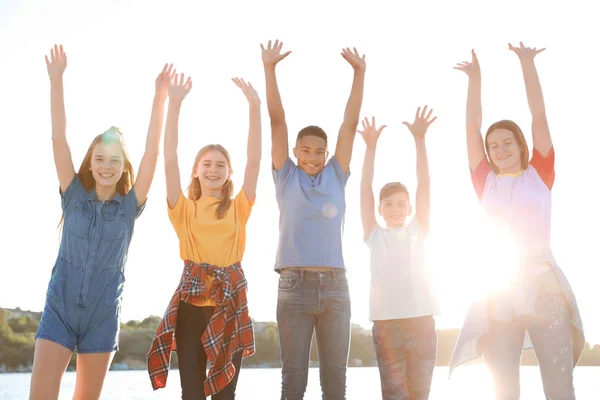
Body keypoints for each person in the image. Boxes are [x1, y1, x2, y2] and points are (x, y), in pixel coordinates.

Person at [30, 44, 170, 400]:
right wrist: (56, 80)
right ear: (90, 163)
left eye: (114, 159)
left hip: (102, 317)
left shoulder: (128, 208)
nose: (106, 166)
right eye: (99, 158)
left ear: (123, 166)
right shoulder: (73, 195)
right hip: (59, 310)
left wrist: (160, 97)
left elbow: (152, 152)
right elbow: (58, 139)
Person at [449, 43, 584, 399]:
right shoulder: (485, 181)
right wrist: (475, 80)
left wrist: (527, 64)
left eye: (507, 142)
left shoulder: (540, 173)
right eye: (493, 145)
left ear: (520, 145)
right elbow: (472, 125)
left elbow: (539, 116)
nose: (500, 149)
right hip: (499, 295)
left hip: (546, 292)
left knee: (559, 388)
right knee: (504, 390)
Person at [261, 39, 366, 399]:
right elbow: (277, 121)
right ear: (295, 151)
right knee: (294, 379)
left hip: (337, 286)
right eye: (305, 150)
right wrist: (270, 69)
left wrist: (359, 73)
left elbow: (349, 124)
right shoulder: (286, 176)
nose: (313, 157)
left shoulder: (336, 175)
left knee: (335, 379)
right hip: (294, 287)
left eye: (319, 152)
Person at [147, 73, 261, 400]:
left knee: (225, 395)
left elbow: (254, 159)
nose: (213, 169)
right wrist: (176, 103)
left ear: (228, 173)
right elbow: (169, 157)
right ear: (196, 169)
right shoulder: (182, 209)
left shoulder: (239, 207)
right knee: (192, 394)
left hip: (231, 303)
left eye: (221, 165)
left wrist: (254, 106)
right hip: (191, 307)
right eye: (207, 163)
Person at [358, 109, 439, 400]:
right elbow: (365, 188)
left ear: (410, 208)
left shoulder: (419, 231)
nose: (394, 209)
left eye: (401, 204)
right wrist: (370, 147)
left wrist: (419, 140)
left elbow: (425, 184)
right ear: (380, 209)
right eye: (388, 204)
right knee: (394, 395)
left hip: (422, 323)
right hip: (387, 326)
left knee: (419, 394)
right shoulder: (375, 236)